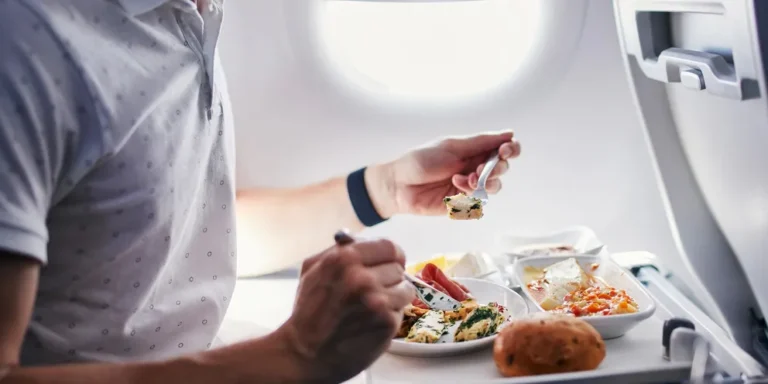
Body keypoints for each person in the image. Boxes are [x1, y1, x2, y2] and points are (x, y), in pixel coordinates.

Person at [0, 0, 521, 383]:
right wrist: (291, 355)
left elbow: (188, 236)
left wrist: (384, 189)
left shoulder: (190, 16)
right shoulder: (27, 45)